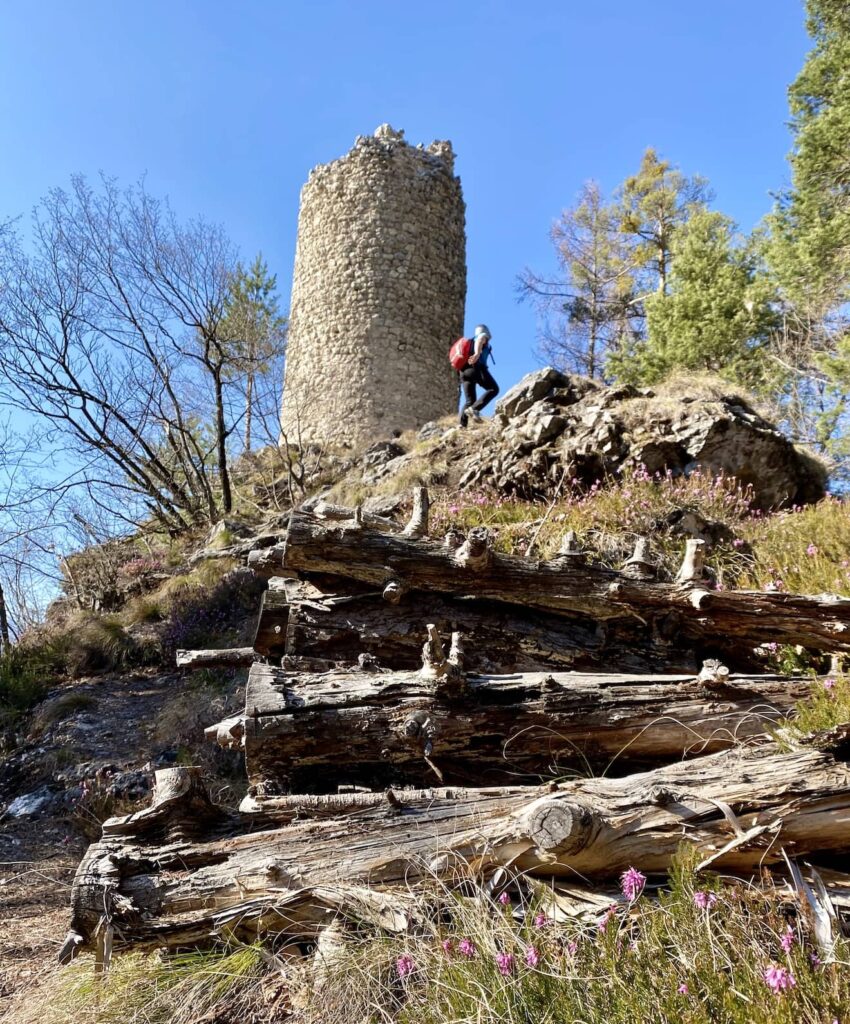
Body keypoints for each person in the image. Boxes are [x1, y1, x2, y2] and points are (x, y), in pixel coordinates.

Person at [459, 324, 499, 427]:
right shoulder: (481, 337)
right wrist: (477, 354)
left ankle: (462, 425)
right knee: (494, 389)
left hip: (464, 372)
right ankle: (474, 409)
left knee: (470, 401)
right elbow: (480, 340)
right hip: (476, 368)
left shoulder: (470, 342)